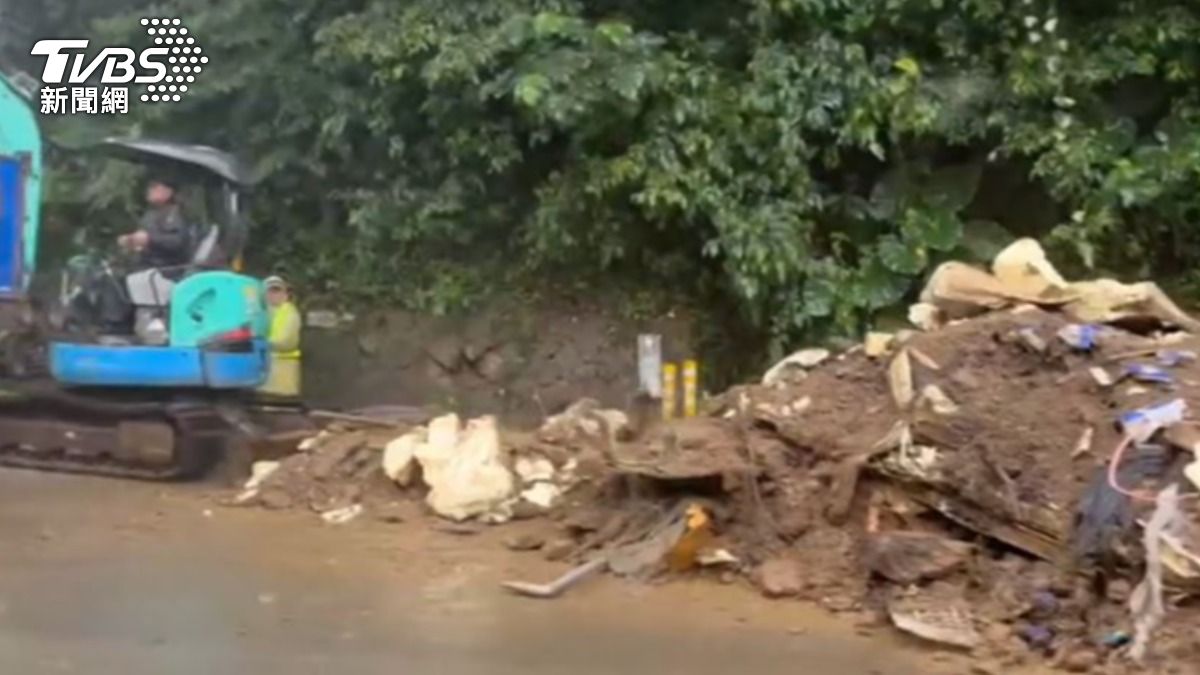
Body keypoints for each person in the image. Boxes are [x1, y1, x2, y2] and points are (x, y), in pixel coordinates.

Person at [117, 178, 194, 272]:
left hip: (169, 269)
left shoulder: (177, 213)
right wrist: (131, 241)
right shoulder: (149, 215)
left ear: (168, 192)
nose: (150, 190)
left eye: (155, 187)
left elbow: (177, 241)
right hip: (145, 269)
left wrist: (149, 239)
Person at [259, 275, 302, 399]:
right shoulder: (259, 313)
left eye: (277, 291)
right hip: (264, 373)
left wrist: (261, 344)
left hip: (284, 371)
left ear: (285, 295)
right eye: (270, 291)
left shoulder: (290, 312)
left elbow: (286, 341)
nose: (273, 295)